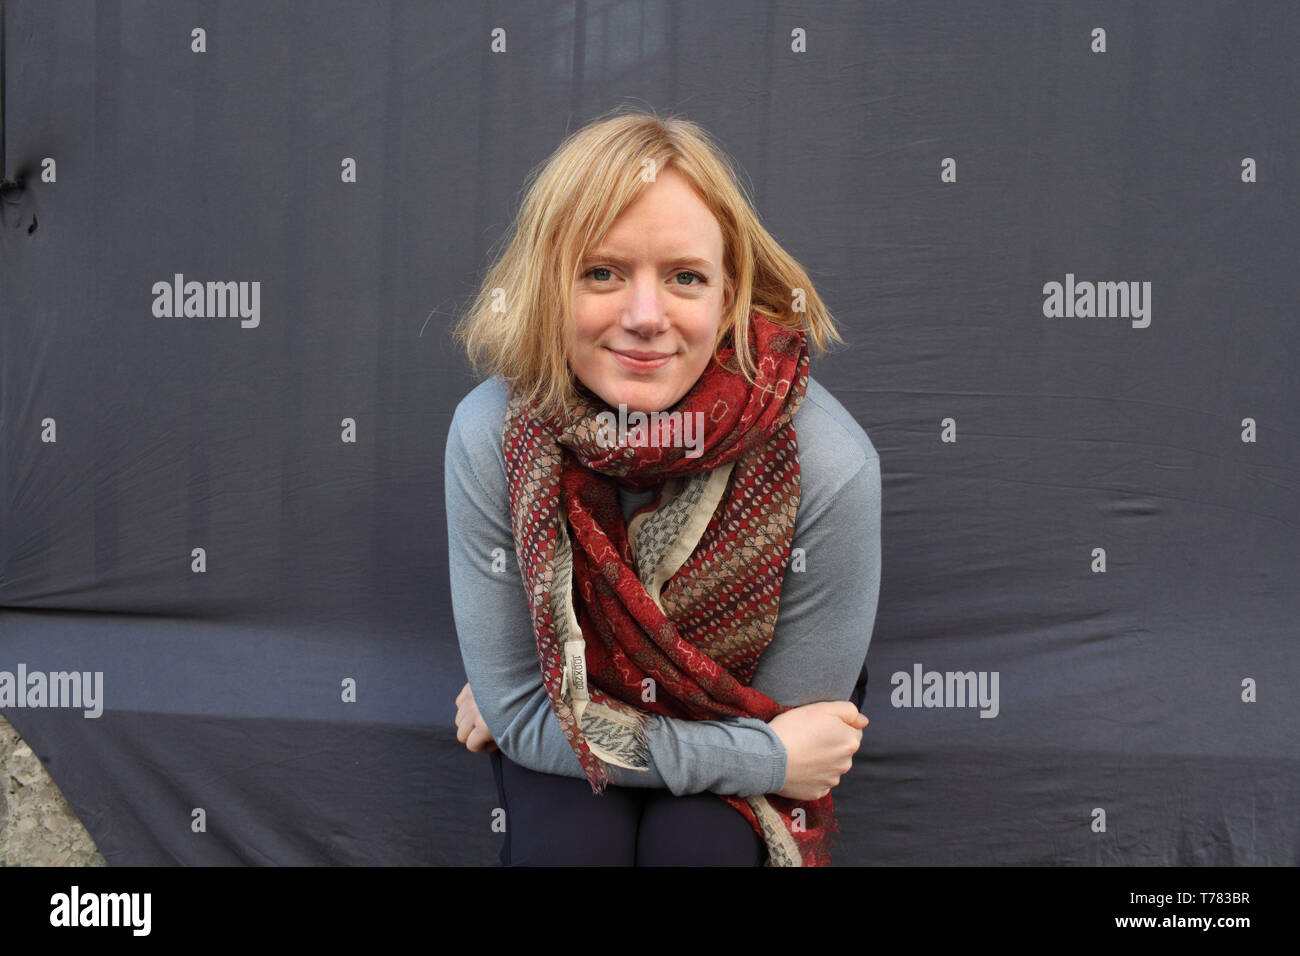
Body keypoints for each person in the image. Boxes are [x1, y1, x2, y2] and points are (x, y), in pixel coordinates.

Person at [445, 108, 881, 866]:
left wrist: (546, 709)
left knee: (697, 853)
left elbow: (795, 719)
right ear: (548, 282)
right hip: (694, 728)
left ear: (730, 292)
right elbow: (519, 712)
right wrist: (769, 762)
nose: (645, 317)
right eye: (602, 273)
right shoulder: (490, 433)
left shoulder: (830, 460)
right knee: (570, 852)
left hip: (745, 698)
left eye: (685, 277)